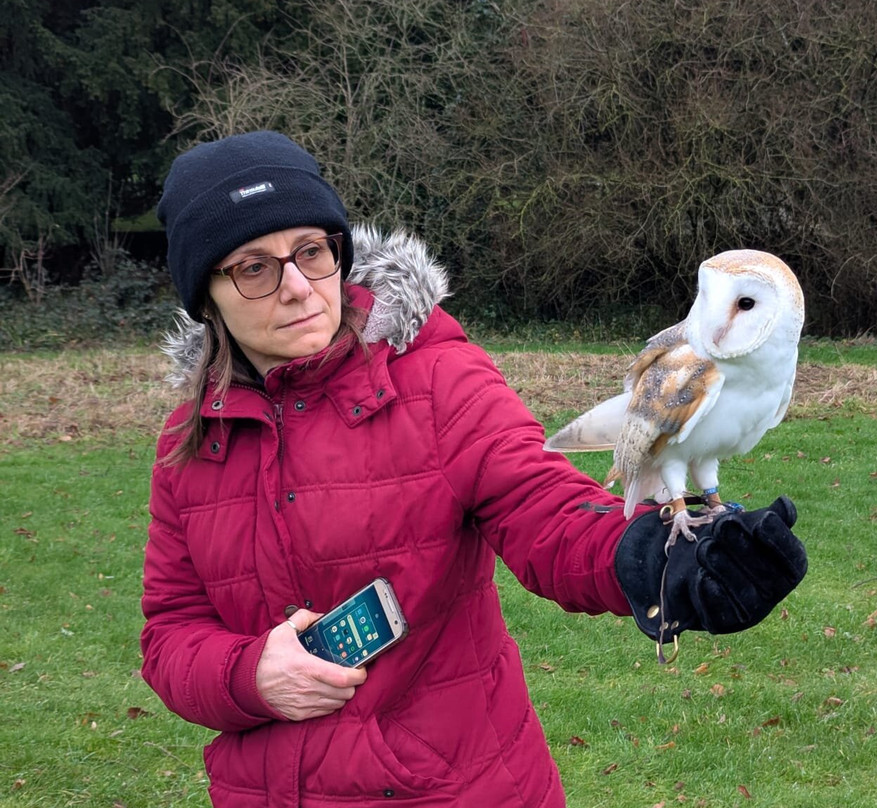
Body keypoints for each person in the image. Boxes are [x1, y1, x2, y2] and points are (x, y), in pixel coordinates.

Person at [140, 130, 808, 807]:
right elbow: (169, 636)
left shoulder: (438, 378)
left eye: (311, 252)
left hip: (456, 788)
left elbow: (542, 507)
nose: (296, 288)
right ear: (206, 294)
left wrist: (652, 559)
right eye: (254, 268)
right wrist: (249, 676)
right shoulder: (189, 446)